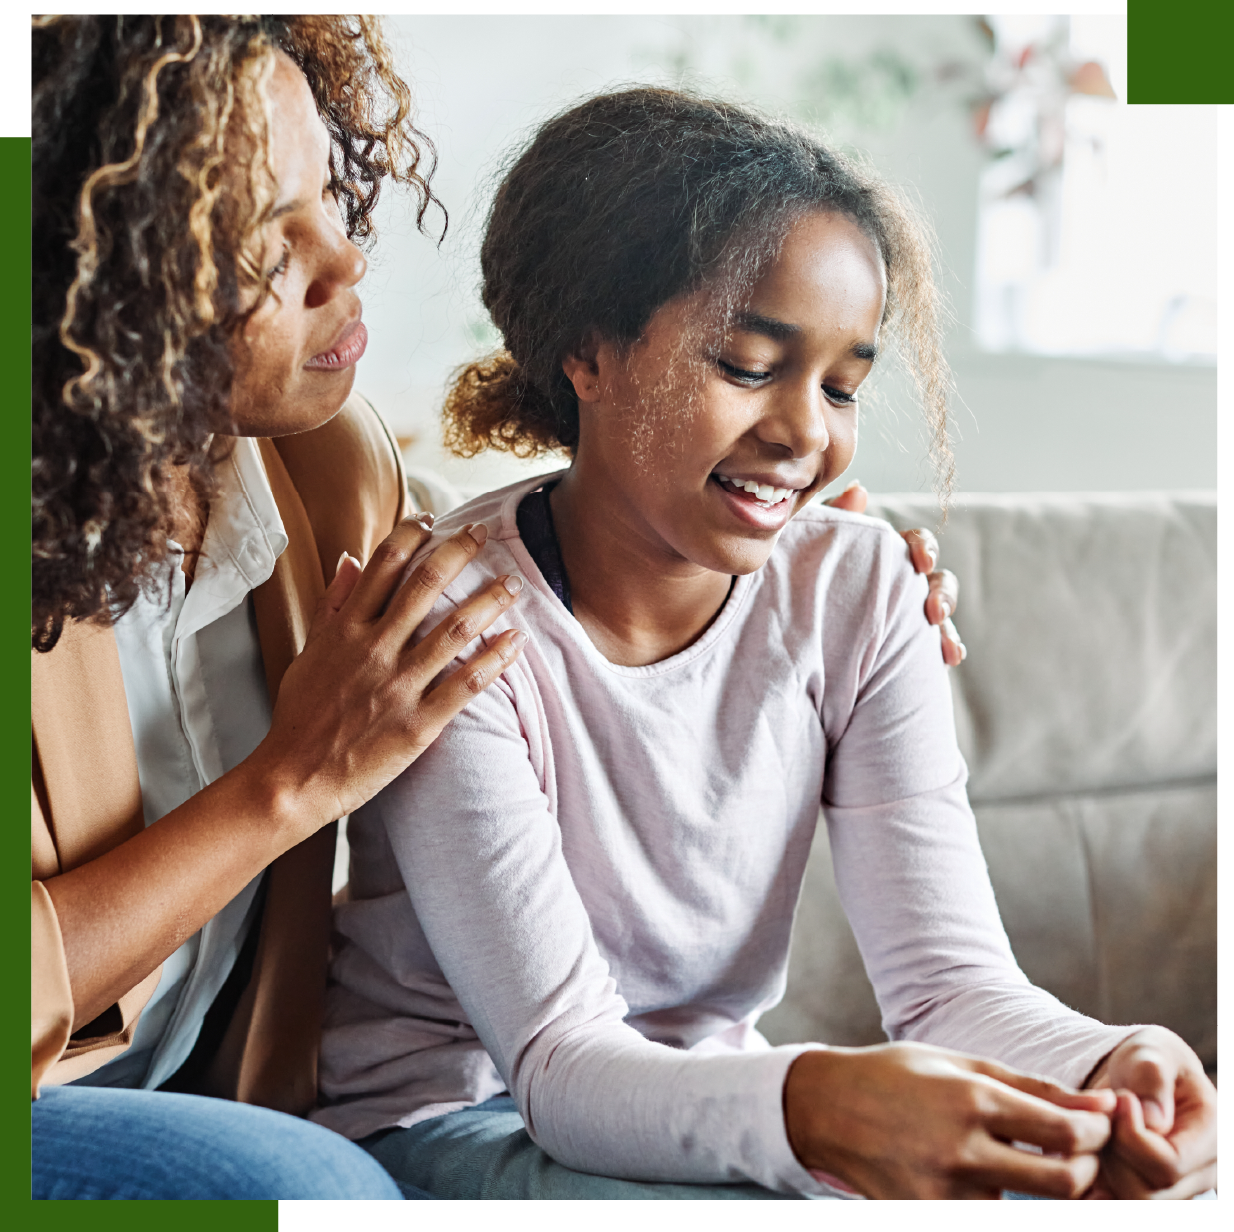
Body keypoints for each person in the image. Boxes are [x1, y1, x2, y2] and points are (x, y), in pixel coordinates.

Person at [314, 88, 1218, 1200]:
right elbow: (556, 1062)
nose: (804, 433)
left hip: (718, 1107)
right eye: (747, 365)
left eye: (842, 385)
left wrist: (1102, 1062)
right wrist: (816, 1106)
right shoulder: (457, 624)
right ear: (586, 351)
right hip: (458, 1116)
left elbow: (946, 987)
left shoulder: (862, 589)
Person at [31, 15, 529, 1199]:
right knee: (320, 1195)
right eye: (268, 234)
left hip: (229, 1102)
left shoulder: (325, 463)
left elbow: (555, 565)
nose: (345, 260)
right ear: (93, 287)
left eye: (327, 194)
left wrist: (774, 550)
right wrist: (290, 778)